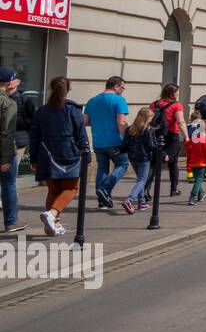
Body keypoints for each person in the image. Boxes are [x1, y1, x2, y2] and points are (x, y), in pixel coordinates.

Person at [28, 76, 87, 236]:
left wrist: (33, 158)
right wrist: (85, 152)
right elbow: (81, 134)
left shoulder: (42, 110)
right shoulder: (73, 109)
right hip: (69, 153)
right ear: (67, 90)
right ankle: (52, 214)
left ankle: (53, 225)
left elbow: (34, 136)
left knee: (53, 190)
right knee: (71, 188)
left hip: (46, 154)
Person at [84, 75, 130, 208]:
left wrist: (100, 122)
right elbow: (121, 122)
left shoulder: (92, 101)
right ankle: (105, 188)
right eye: (122, 87)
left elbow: (85, 122)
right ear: (116, 86)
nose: (123, 90)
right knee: (123, 164)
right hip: (115, 140)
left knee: (102, 169)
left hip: (98, 141)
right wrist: (127, 139)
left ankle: (102, 200)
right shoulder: (119, 100)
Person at [150, 84, 188, 197]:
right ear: (172, 93)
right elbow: (180, 121)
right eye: (177, 92)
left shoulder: (154, 104)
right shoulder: (177, 105)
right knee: (173, 163)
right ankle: (174, 189)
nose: (178, 94)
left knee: (154, 164)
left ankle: (146, 190)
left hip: (157, 135)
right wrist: (186, 136)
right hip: (172, 135)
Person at [120, 107, 159, 215]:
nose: (151, 120)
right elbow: (151, 145)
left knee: (140, 180)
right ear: (147, 118)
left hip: (133, 157)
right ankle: (130, 199)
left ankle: (142, 203)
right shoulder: (148, 129)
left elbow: (125, 144)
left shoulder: (130, 129)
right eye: (151, 118)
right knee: (142, 180)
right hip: (144, 158)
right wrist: (161, 152)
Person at [0, 66, 23, 233]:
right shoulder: (8, 103)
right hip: (3, 152)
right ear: (8, 83)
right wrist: (6, 158)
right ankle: (11, 222)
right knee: (8, 185)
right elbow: (6, 133)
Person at [184, 118, 206, 206]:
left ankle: (201, 194)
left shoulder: (194, 137)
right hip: (202, 163)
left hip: (193, 162)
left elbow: (187, 146)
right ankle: (192, 197)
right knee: (198, 181)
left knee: (197, 180)